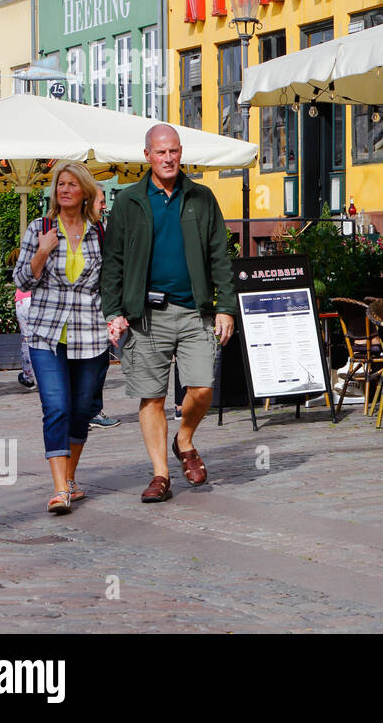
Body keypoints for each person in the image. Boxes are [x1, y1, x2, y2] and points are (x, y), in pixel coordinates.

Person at [103, 124, 236, 504]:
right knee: (151, 397)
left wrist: (225, 307)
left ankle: (185, 439)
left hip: (195, 312)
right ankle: (160, 474)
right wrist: (114, 311)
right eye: (160, 152)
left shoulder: (201, 197)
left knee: (202, 387)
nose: (168, 158)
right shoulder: (129, 202)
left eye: (174, 151)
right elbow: (113, 262)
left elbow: (219, 257)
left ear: (181, 153)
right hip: (145, 315)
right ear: (147, 155)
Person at [13, 162, 109, 513]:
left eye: (72, 185)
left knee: (82, 410)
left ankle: (69, 480)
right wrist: (42, 250)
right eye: (60, 185)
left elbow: (110, 281)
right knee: (56, 407)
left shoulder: (99, 231)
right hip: (47, 333)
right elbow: (21, 281)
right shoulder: (40, 228)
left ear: (84, 191)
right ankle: (60, 489)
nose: (64, 190)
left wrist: (116, 319)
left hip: (90, 332)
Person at [86, 188, 120, 429]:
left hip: (99, 303)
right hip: (86, 309)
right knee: (94, 362)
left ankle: (91, 410)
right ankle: (88, 411)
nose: (104, 206)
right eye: (101, 201)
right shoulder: (83, 230)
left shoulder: (99, 228)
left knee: (99, 362)